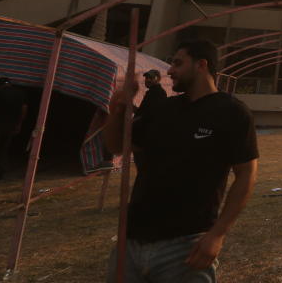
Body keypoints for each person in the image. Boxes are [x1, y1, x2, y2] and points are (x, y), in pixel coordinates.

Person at [104, 39, 258, 283]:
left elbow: (247, 175)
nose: (169, 70)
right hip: (131, 241)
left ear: (201, 65)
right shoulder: (163, 109)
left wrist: (217, 234)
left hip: (187, 245)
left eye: (177, 63)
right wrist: (117, 111)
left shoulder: (232, 112)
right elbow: (116, 147)